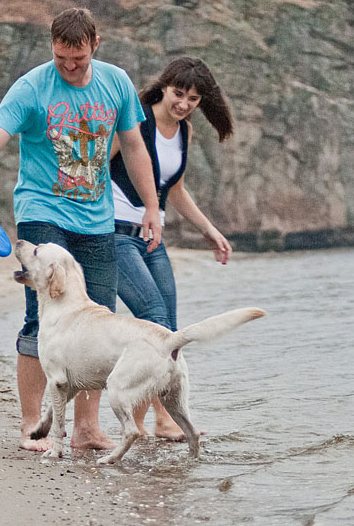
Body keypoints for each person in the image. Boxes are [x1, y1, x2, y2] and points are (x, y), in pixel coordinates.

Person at [0, 7, 163, 452]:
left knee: (97, 324)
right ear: (52, 47)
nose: (69, 67)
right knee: (41, 318)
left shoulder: (116, 83)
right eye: (61, 58)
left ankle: (87, 429)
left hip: (97, 218)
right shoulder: (31, 87)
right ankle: (34, 425)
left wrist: (151, 206)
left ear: (95, 45)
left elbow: (133, 147)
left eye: (79, 59)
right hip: (42, 210)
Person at [109, 57, 234, 440]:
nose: (183, 104)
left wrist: (208, 230)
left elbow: (174, 189)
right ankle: (143, 421)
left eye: (193, 99)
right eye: (179, 94)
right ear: (164, 86)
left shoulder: (184, 132)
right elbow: (97, 167)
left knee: (169, 331)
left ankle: (160, 420)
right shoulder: (135, 120)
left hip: (152, 238)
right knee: (154, 319)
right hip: (115, 233)